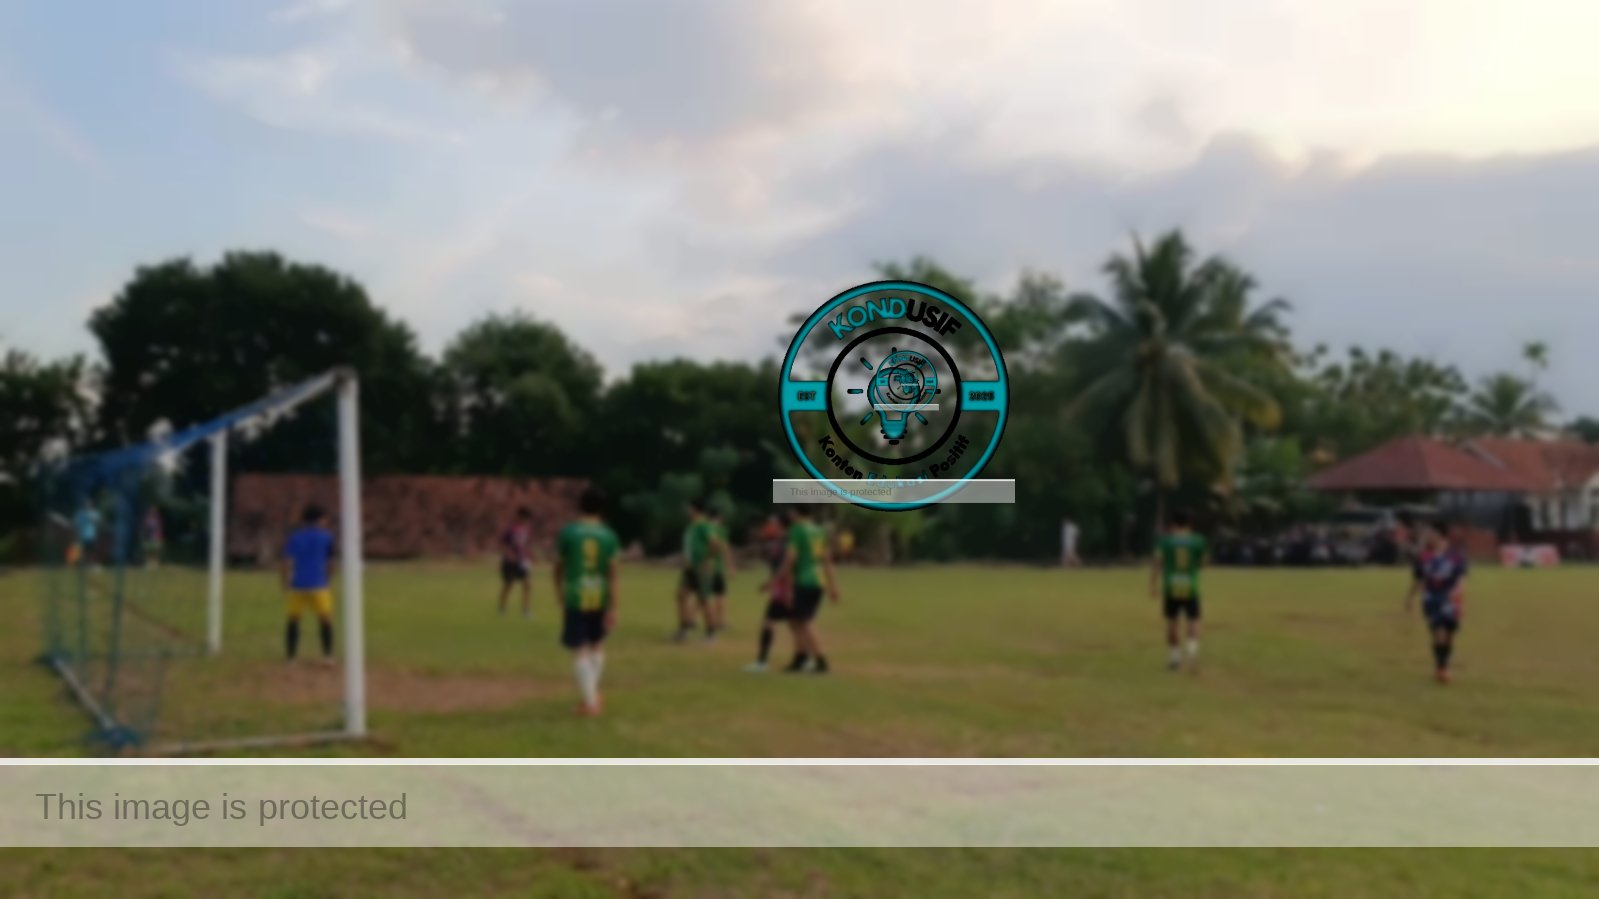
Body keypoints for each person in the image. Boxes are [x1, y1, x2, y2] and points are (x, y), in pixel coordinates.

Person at [553, 486, 622, 717]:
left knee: (579, 648)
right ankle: (592, 696)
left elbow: (559, 566)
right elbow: (613, 575)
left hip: (576, 595)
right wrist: (614, 606)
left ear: (579, 505)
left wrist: (559, 592)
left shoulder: (569, 532)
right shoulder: (610, 535)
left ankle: (590, 702)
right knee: (597, 644)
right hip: (600, 596)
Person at [777, 506, 840, 674]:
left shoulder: (797, 530)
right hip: (818, 579)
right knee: (796, 620)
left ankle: (821, 660)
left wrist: (780, 575)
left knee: (805, 621)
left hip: (804, 580)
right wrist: (832, 585)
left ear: (795, 513)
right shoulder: (819, 531)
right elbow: (826, 559)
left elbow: (791, 556)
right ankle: (800, 657)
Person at [1405, 519, 1468, 684]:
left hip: (1450, 598)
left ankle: (1443, 664)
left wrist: (1457, 591)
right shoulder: (1424, 557)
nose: (1427, 537)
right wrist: (1410, 598)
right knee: (1438, 631)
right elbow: (1418, 579)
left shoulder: (1456, 556)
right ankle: (1442, 668)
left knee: (1449, 634)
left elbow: (1461, 577)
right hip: (1431, 598)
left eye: (1430, 533)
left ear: (1441, 535)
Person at [1151, 510, 1207, 672]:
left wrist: (1153, 584)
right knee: (1193, 620)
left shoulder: (1165, 541)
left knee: (1172, 622)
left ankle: (1174, 659)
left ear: (1174, 524)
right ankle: (1191, 653)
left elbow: (1157, 562)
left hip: (1171, 586)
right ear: (1190, 524)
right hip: (1190, 586)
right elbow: (1203, 564)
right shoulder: (1198, 540)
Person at [282, 504, 337, 667]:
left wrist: (285, 581)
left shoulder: (295, 537)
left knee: (293, 619)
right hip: (319, 584)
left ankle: (291, 658)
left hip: (298, 584)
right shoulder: (326, 537)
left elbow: (286, 562)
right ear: (320, 520)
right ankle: (328, 656)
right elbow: (331, 562)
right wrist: (328, 579)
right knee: (325, 619)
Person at [747, 510, 792, 673]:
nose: (769, 528)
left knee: (769, 623)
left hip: (784, 589)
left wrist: (780, 587)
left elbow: (787, 568)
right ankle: (806, 658)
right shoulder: (780, 543)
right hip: (783, 587)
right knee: (797, 625)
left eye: (773, 525)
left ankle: (762, 662)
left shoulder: (786, 544)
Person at [674, 500, 710, 643]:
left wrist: (707, 559)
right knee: (681, 595)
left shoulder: (703, 525)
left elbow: (715, 543)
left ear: (695, 509)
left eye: (689, 508)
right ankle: (684, 629)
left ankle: (711, 633)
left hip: (699, 566)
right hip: (689, 567)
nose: (686, 511)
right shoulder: (692, 526)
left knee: (704, 599)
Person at [701, 506, 733, 640]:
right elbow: (724, 549)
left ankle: (691, 619)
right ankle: (720, 621)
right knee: (720, 594)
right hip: (717, 567)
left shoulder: (703, 528)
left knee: (704, 595)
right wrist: (730, 567)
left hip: (703, 567)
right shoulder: (720, 530)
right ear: (719, 517)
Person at [497, 507, 535, 618]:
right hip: (510, 560)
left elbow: (526, 544)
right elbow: (502, 543)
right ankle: (502, 608)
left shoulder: (527, 529)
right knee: (509, 584)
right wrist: (508, 554)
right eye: (525, 518)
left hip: (522, 560)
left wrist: (530, 554)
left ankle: (526, 610)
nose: (526, 520)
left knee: (527, 584)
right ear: (519, 516)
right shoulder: (510, 529)